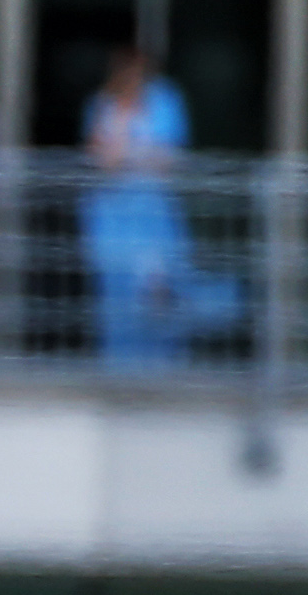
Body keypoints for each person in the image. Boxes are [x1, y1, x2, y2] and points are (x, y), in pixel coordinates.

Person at [78, 44, 233, 371]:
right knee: (119, 298)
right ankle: (121, 369)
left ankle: (165, 366)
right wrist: (123, 126)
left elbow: (167, 158)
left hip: (154, 214)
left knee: (161, 290)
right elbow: (104, 161)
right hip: (114, 218)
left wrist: (130, 155)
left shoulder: (164, 100)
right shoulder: (104, 106)